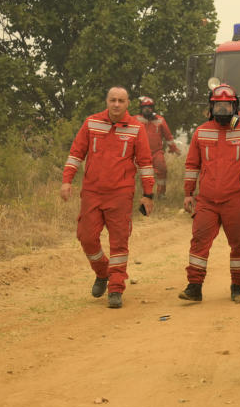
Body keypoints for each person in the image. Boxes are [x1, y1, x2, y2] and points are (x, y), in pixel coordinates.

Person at [61, 86, 155, 309]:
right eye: (112, 100)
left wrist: (148, 194)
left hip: (120, 194)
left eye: (121, 101)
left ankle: (115, 288)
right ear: (106, 101)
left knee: (119, 242)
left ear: (127, 103)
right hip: (92, 192)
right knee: (86, 237)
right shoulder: (91, 123)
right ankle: (102, 272)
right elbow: (76, 153)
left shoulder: (136, 128)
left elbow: (145, 163)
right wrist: (67, 180)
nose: (116, 104)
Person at [179, 84, 240, 303]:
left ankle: (237, 286)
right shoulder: (201, 132)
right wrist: (188, 193)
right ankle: (194, 287)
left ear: (235, 106)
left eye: (227, 106)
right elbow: (192, 165)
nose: (222, 111)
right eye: (218, 106)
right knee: (199, 241)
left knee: (238, 244)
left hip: (236, 199)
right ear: (211, 107)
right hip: (207, 200)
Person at [137, 95, 182, 200]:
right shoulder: (136, 119)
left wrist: (174, 148)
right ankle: (146, 195)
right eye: (145, 107)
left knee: (162, 170)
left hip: (157, 152)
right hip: (142, 153)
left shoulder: (160, 120)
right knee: (144, 174)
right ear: (141, 109)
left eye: (149, 107)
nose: (147, 109)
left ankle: (161, 194)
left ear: (153, 108)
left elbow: (168, 136)